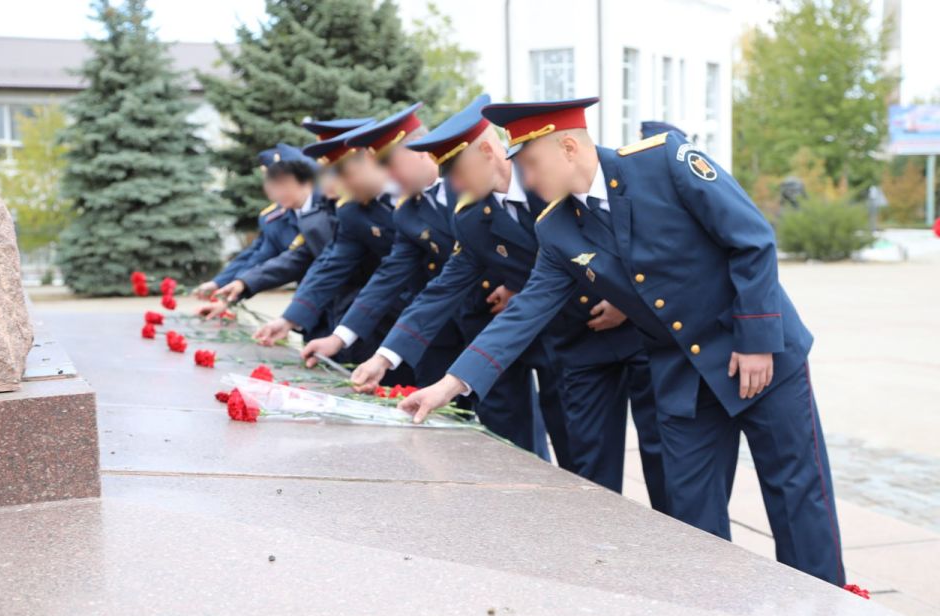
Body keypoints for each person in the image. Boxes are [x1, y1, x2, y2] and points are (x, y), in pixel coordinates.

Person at [399, 97, 844, 586]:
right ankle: (716, 610)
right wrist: (451, 384)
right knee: (691, 514)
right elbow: (526, 312)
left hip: (757, 354)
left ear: (568, 146)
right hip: (682, 375)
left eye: (529, 163)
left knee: (796, 493)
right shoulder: (557, 227)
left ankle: (820, 609)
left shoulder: (664, 162)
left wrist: (757, 340)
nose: (525, 179)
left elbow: (751, 239)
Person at [347, 95, 662, 498]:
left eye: (457, 171)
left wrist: (624, 296)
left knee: (664, 459)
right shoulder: (471, 217)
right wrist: (385, 356)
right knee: (585, 468)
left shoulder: (553, 177)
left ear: (487, 149)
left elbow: (627, 240)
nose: (453, 184)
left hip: (638, 329)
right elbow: (444, 288)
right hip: (567, 342)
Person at [303, 98, 565, 458]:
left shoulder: (541, 181)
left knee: (569, 440)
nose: (451, 181)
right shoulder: (428, 211)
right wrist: (380, 356)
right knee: (501, 434)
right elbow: (425, 283)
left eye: (392, 163)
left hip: (565, 325)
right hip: (481, 331)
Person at [251, 121, 415, 382]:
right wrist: (290, 320)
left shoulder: (419, 198)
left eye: (339, 172)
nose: (331, 185)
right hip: (384, 320)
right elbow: (332, 262)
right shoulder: (352, 208)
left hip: (434, 316)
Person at [194, 144, 335, 335]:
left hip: (344, 307)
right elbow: (260, 257)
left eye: (277, 182)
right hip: (311, 309)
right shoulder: (275, 218)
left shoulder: (331, 209)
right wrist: (228, 287)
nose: (269, 189)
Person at [192, 147, 287, 300]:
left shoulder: (298, 212)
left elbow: (278, 259)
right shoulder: (270, 215)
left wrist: (239, 284)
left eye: (270, 177)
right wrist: (221, 283)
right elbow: (255, 253)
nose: (266, 185)